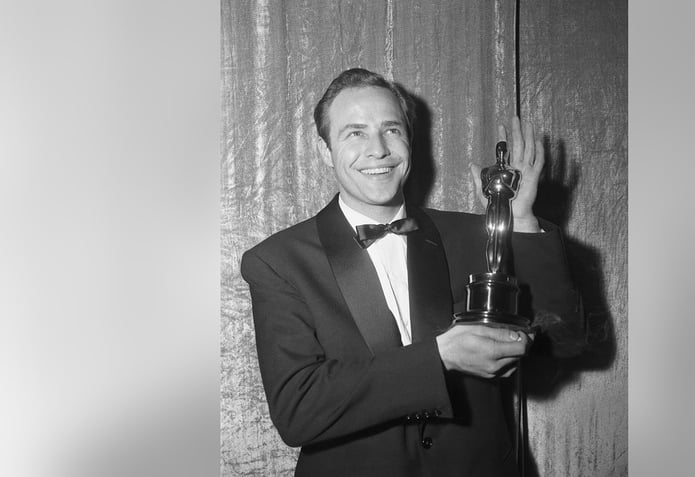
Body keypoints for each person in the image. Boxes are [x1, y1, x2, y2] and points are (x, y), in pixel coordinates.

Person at [241, 68, 582, 477]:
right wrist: (439, 357)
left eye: (392, 130)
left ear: (410, 140)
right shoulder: (278, 261)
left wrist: (523, 222)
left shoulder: (476, 233)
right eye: (355, 133)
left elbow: (563, 340)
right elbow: (298, 410)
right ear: (324, 150)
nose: (378, 150)